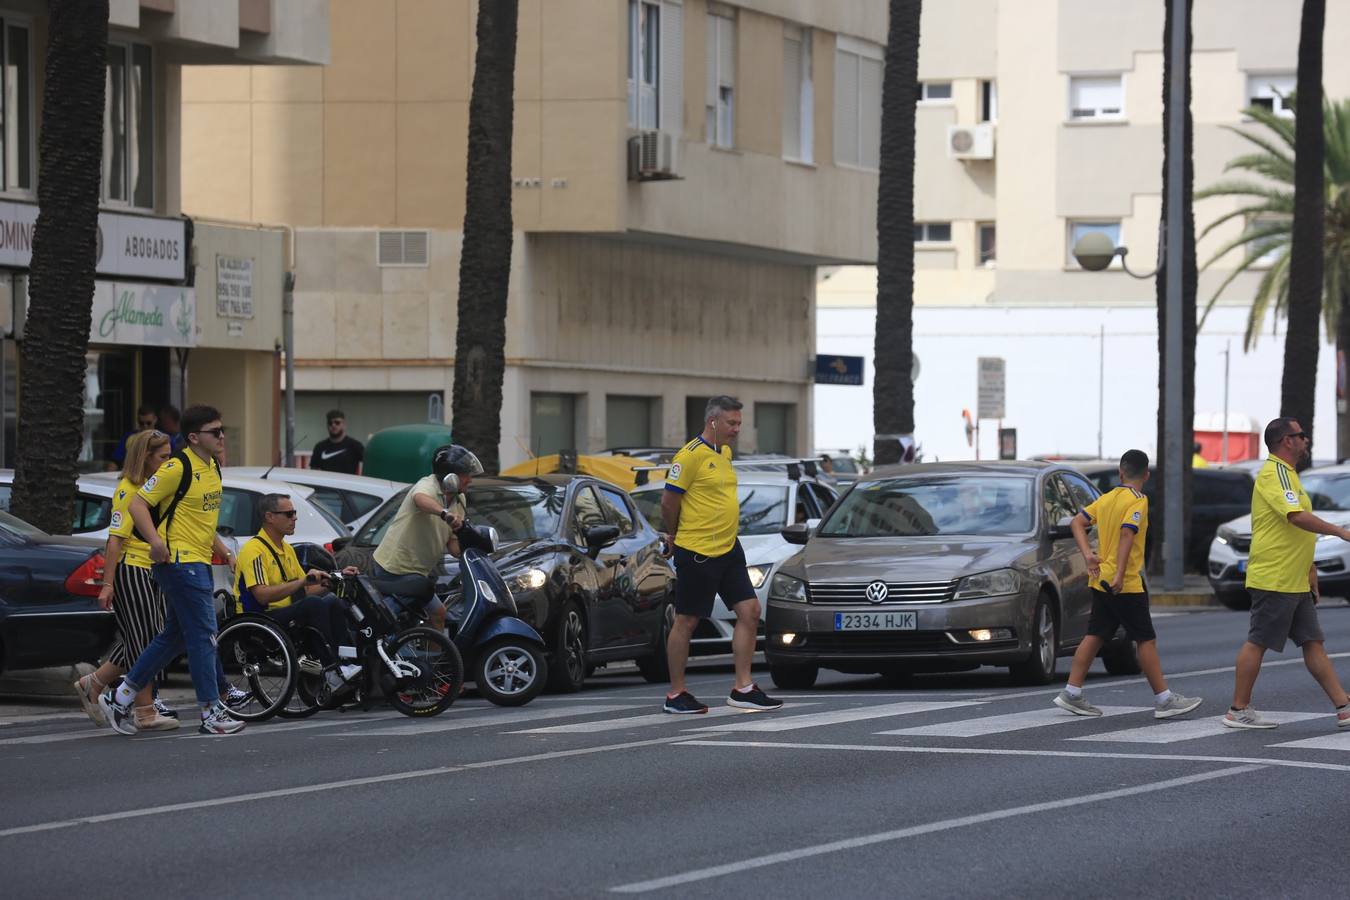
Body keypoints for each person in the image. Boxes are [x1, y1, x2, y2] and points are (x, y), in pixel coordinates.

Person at [98, 405, 247, 736]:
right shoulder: (176, 468)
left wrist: (223, 551)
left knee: (173, 637)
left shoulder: (213, 468)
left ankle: (120, 697)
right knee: (204, 635)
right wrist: (155, 541)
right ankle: (210, 711)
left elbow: (202, 522)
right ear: (194, 437)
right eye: (215, 432)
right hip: (179, 562)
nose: (222, 437)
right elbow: (137, 504)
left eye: (222, 430)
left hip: (198, 561)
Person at [1055, 449, 1202, 719]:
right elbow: (1127, 534)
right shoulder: (1138, 500)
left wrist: (1088, 555)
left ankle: (1071, 692)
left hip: (1099, 577)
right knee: (1146, 639)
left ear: (1121, 472)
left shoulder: (1107, 498)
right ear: (1146, 474)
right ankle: (1164, 699)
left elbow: (1077, 522)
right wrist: (1121, 574)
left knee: (1096, 633)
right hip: (1125, 582)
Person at [1224, 417, 1350, 730]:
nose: (1306, 440)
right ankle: (1237, 710)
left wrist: (1310, 569)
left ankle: (1344, 707)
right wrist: (1340, 532)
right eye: (1301, 435)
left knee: (1312, 642)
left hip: (1294, 577)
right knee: (1258, 642)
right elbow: (1295, 517)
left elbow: (1293, 528)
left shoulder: (1290, 475)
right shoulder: (1274, 473)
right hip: (1275, 576)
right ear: (1287, 441)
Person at [659, 395, 781, 714]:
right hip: (697, 550)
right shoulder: (689, 457)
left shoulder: (724, 453)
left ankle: (743, 687)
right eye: (732, 423)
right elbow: (668, 503)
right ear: (713, 421)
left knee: (750, 611)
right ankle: (676, 694)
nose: (737, 429)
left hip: (729, 547)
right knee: (687, 620)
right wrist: (672, 534)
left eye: (739, 423)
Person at [74, 430, 180, 731]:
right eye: (163, 457)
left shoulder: (156, 487)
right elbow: (115, 540)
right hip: (132, 569)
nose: (168, 462)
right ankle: (144, 711)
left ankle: (94, 683)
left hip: (153, 569)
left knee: (147, 638)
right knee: (146, 641)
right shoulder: (128, 489)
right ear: (145, 458)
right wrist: (107, 584)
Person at [369, 444, 480, 632]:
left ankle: (431, 660)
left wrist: (472, 547)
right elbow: (420, 500)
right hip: (395, 567)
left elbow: (453, 545)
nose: (470, 479)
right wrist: (445, 514)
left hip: (418, 572)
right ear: (450, 476)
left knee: (437, 615)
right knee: (388, 618)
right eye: (465, 474)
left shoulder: (459, 500)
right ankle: (376, 652)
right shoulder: (427, 485)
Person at [234, 492, 355, 656]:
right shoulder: (253, 550)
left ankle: (346, 660)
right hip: (260, 620)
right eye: (289, 514)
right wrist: (302, 581)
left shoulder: (287, 549)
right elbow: (261, 595)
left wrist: (334, 579)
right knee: (313, 604)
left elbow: (305, 590)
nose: (295, 518)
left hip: (284, 615)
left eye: (295, 513)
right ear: (269, 517)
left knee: (333, 601)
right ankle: (330, 666)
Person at [311, 409, 364, 474]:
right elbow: (313, 470)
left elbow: (369, 464)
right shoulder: (319, 447)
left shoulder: (355, 446)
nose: (333, 425)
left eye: (337, 422)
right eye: (330, 423)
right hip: (326, 483)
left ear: (344, 425)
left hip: (347, 483)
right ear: (327, 426)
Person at [107, 404, 158, 470]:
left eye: (148, 423)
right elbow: (115, 461)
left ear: (155, 420)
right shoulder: (129, 438)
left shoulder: (164, 439)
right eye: (141, 423)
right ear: (137, 421)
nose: (145, 426)